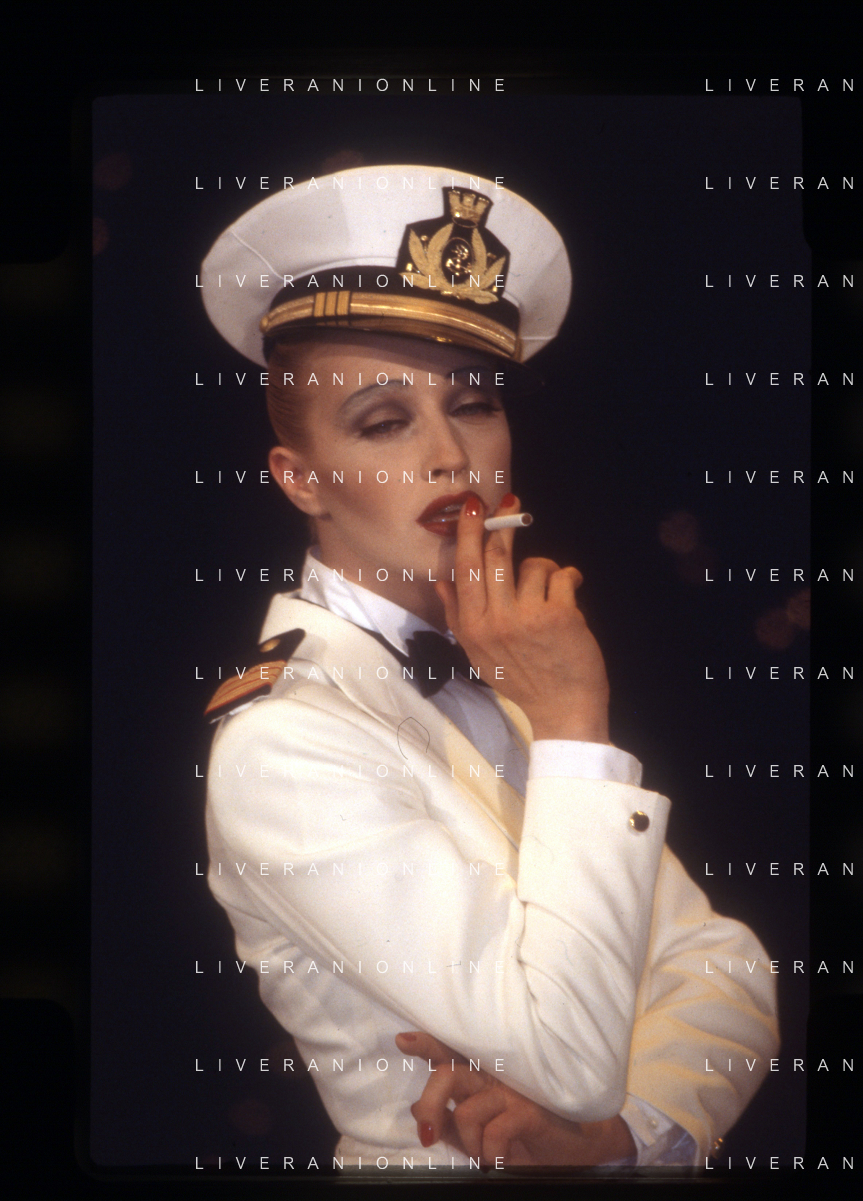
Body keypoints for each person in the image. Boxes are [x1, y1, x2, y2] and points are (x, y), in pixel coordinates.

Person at [200, 166, 779, 1170]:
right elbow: (567, 1058)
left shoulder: (502, 668)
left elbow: (728, 970)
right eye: (383, 421)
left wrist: (619, 1137)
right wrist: (572, 721)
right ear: (300, 480)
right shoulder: (283, 742)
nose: (449, 456)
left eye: (471, 404)